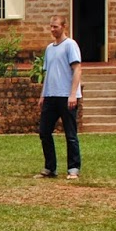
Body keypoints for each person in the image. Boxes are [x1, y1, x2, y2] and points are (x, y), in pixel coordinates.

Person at [36, 15, 83, 179]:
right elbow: (48, 73)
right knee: (44, 132)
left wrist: (73, 94)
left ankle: (73, 168)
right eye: (51, 26)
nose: (52, 29)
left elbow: (77, 69)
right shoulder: (49, 48)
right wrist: (43, 94)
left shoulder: (70, 45)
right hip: (51, 95)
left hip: (66, 96)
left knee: (70, 134)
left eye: (55, 26)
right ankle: (50, 167)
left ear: (63, 27)